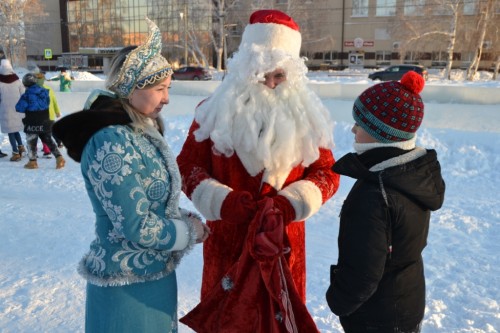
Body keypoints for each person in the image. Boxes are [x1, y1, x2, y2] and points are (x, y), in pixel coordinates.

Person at [177, 9, 340, 332]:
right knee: (227, 322)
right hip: (229, 246)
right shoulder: (212, 112)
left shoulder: (307, 117)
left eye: (279, 76)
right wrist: (221, 201)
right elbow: (188, 166)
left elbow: (327, 173)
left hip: (283, 247)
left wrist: (290, 203)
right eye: (261, 74)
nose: (270, 83)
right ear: (244, 70)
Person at [52, 18, 210, 333]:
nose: (166, 98)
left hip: (153, 277)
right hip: (125, 286)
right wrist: (187, 232)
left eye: (168, 88)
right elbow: (136, 225)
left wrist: (185, 219)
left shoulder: (137, 132)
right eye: (159, 88)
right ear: (130, 87)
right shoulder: (110, 141)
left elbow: (149, 202)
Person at [325, 71, 446, 332]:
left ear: (382, 133)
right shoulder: (413, 173)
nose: (353, 129)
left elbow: (363, 273)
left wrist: (337, 300)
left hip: (376, 317)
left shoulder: (374, 193)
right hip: (405, 303)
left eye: (360, 124)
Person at [15, 73, 65, 169]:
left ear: (26, 83)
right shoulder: (44, 92)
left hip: (32, 122)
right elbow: (48, 103)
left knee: (31, 142)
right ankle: (59, 158)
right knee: (49, 140)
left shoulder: (27, 95)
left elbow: (19, 108)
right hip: (44, 120)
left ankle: (32, 162)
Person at [0, 59, 26, 161]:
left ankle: (15, 153)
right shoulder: (17, 80)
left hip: (5, 109)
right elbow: (23, 94)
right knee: (15, 129)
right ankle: (21, 146)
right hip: (17, 109)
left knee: (11, 132)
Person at [35, 72, 63, 157]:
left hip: (38, 115)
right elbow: (54, 101)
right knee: (47, 133)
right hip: (50, 115)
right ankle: (49, 148)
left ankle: (39, 149)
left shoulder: (33, 90)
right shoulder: (49, 89)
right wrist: (57, 111)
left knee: (37, 133)